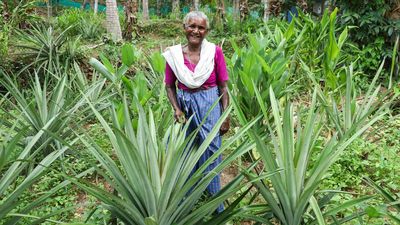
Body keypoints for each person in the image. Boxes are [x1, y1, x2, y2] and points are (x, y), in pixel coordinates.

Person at [162, 11, 230, 213]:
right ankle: (189, 197)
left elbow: (224, 87)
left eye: (201, 27)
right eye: (192, 26)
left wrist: (225, 116)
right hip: (185, 104)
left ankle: (215, 200)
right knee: (187, 148)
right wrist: (176, 108)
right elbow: (169, 86)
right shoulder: (174, 55)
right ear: (184, 28)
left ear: (206, 31)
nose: (196, 31)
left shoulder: (214, 52)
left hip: (209, 101)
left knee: (211, 148)